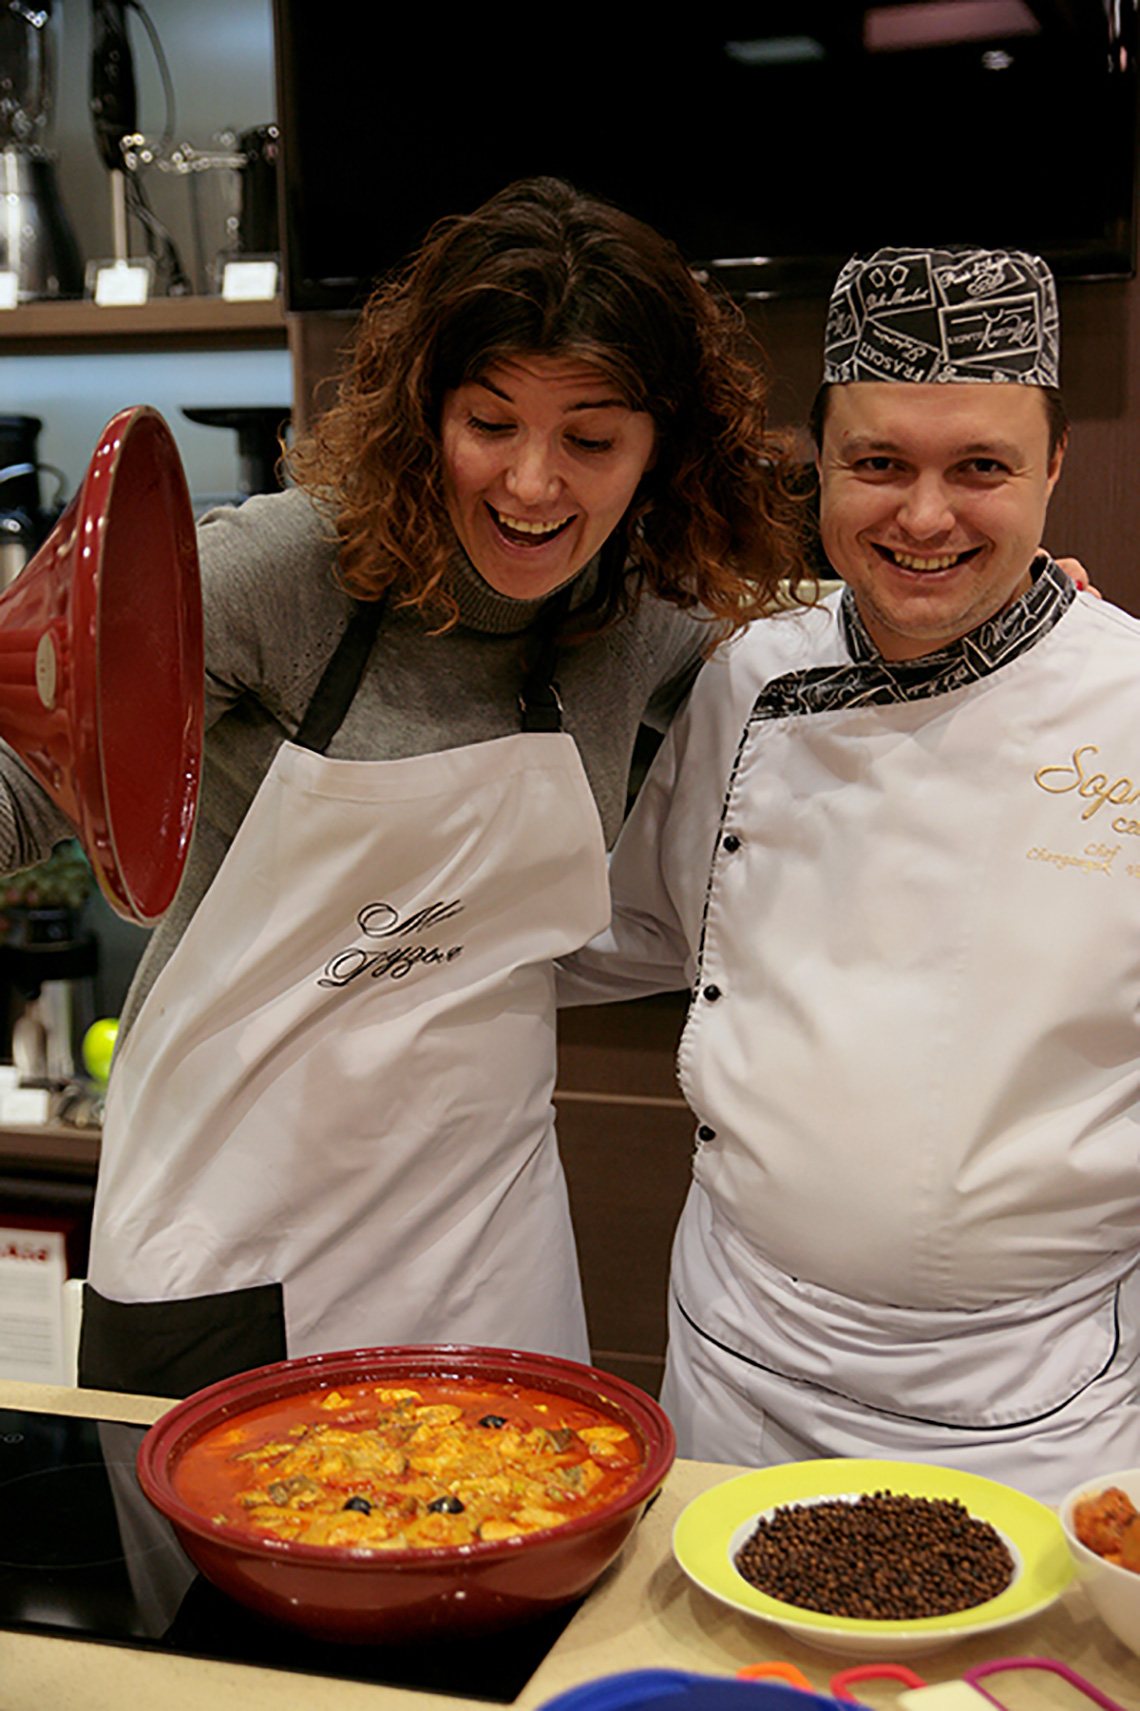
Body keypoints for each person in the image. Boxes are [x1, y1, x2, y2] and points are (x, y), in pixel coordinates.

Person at [0, 176, 803, 1398]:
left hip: (489, 1244)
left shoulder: (647, 625)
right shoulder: (279, 576)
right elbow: (27, 772)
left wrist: (1023, 610)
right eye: (490, 423)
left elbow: (838, 664)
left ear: (658, 451)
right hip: (227, 1240)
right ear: (425, 412)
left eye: (590, 440)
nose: (535, 484)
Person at [557, 245, 1140, 1502]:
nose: (924, 518)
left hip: (1034, 1405)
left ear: (1054, 468)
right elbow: (647, 926)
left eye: (979, 467)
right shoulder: (744, 679)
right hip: (739, 1367)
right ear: (817, 464)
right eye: (878, 465)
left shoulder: (1132, 704)